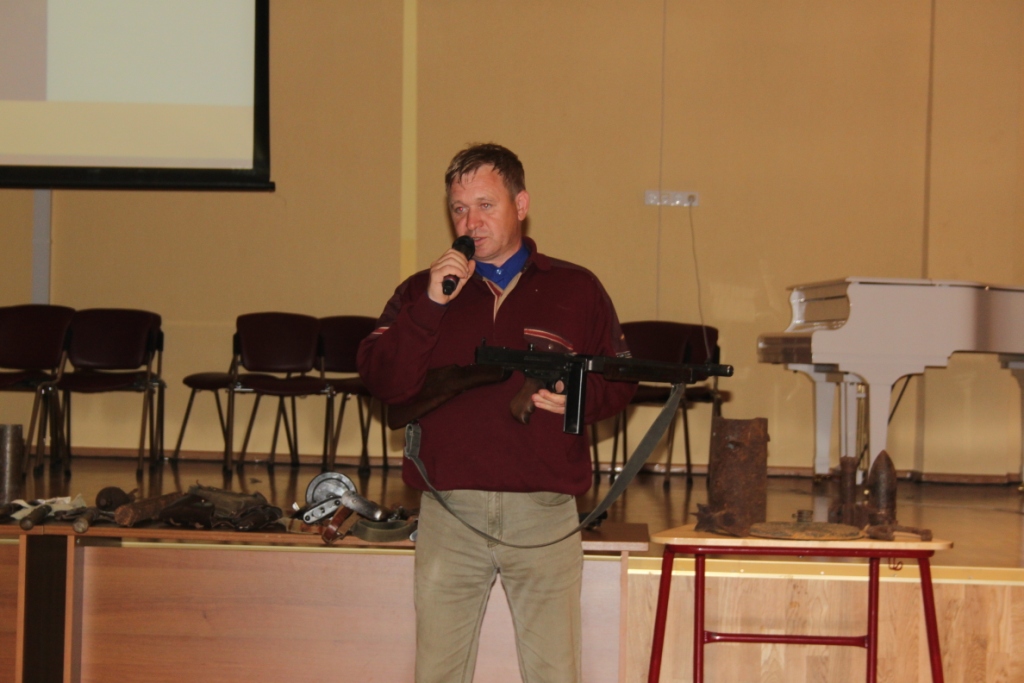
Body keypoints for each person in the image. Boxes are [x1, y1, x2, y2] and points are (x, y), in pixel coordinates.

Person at [357, 143, 635, 683]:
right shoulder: (421, 291)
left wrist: (579, 398)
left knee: (555, 672)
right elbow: (384, 381)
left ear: (521, 204)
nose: (471, 222)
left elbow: (620, 378)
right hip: (448, 512)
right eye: (459, 209)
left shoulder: (576, 288)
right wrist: (431, 306)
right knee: (437, 672)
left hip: (544, 512)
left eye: (485, 205)